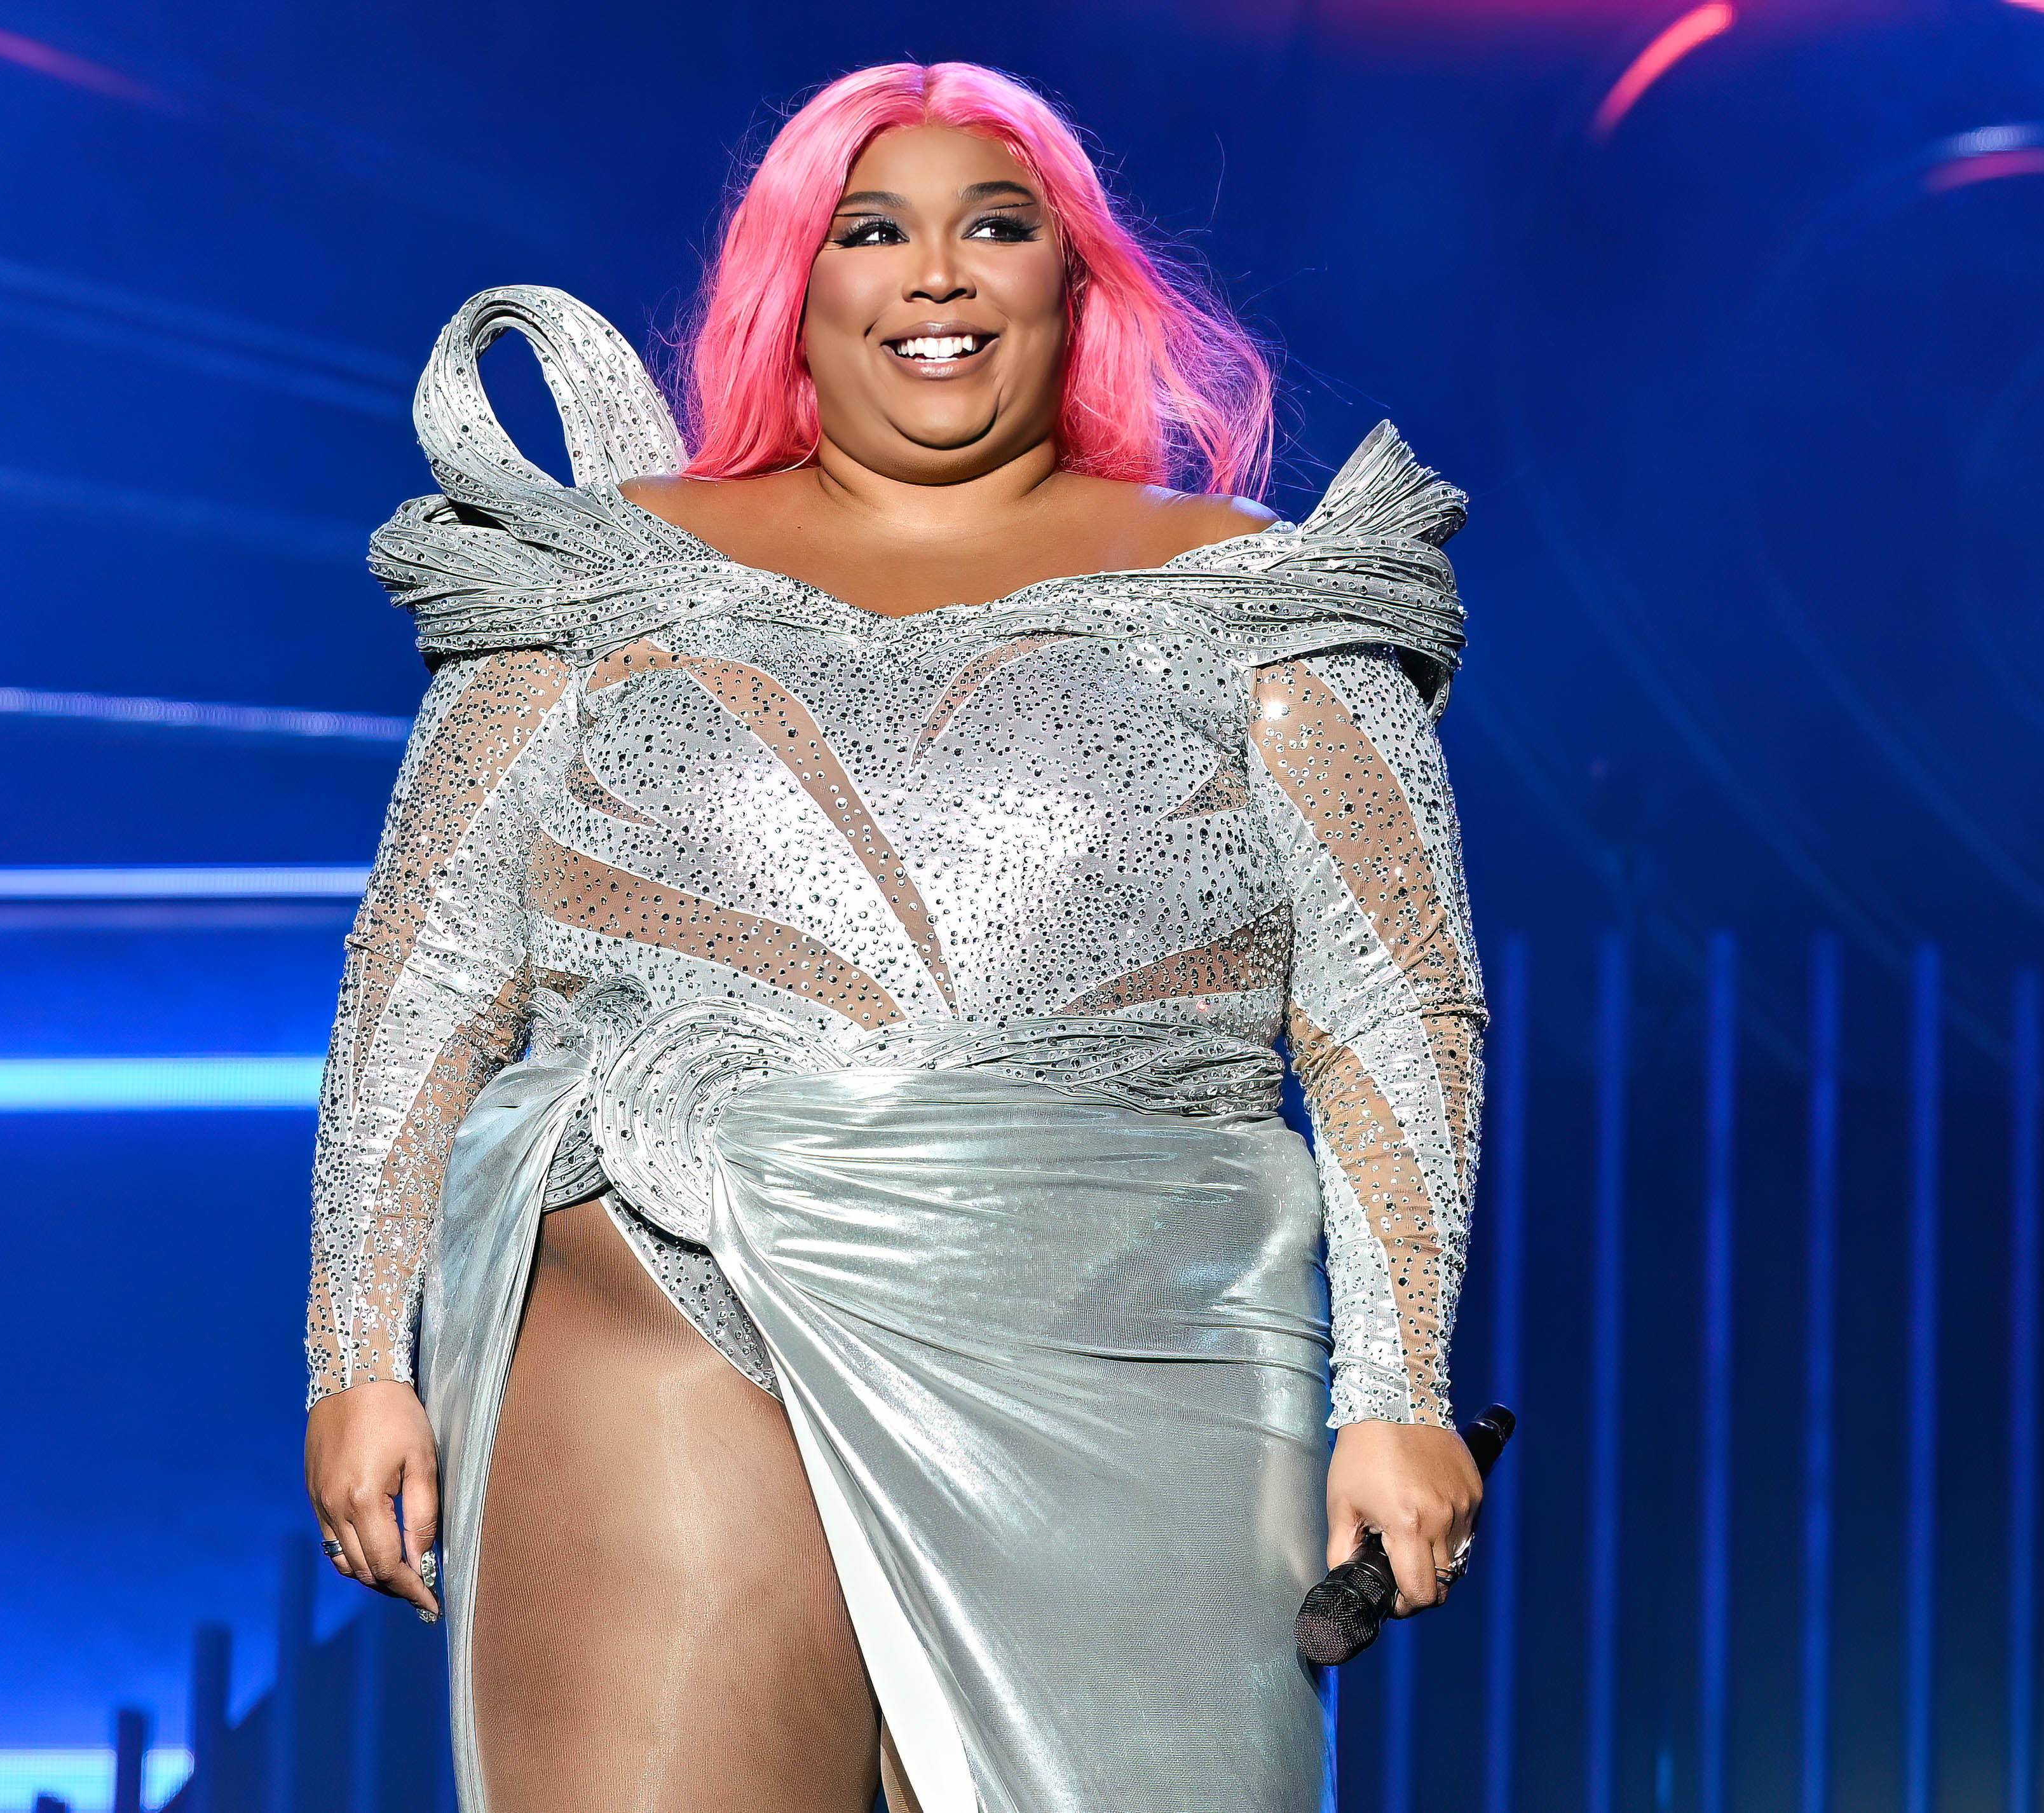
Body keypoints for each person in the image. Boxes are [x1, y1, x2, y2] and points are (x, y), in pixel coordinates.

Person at [301, 60, 1485, 1813]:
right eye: (874, 229)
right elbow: (427, 976)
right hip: (662, 1298)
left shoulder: (1267, 601)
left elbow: (1393, 1008)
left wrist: (1403, 1387)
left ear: (1072, 284)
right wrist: (355, 1356)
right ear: (803, 283)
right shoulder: (593, 584)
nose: (936, 273)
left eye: (994, 226)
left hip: (1127, 1347)